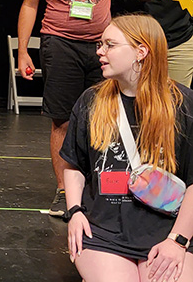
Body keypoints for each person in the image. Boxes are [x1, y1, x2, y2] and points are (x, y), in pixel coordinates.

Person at [17, 0, 164, 217]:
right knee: (62, 118)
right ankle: (62, 191)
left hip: (105, 45)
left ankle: (105, 186)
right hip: (60, 43)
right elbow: (30, 4)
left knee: (109, 114)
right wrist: (23, 50)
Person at [61, 14, 193, 282]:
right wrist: (74, 212)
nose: (100, 51)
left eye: (110, 44)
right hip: (104, 231)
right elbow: (74, 165)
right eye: (100, 44)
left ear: (141, 51)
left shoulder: (183, 105)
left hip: (167, 230)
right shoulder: (92, 100)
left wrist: (177, 241)